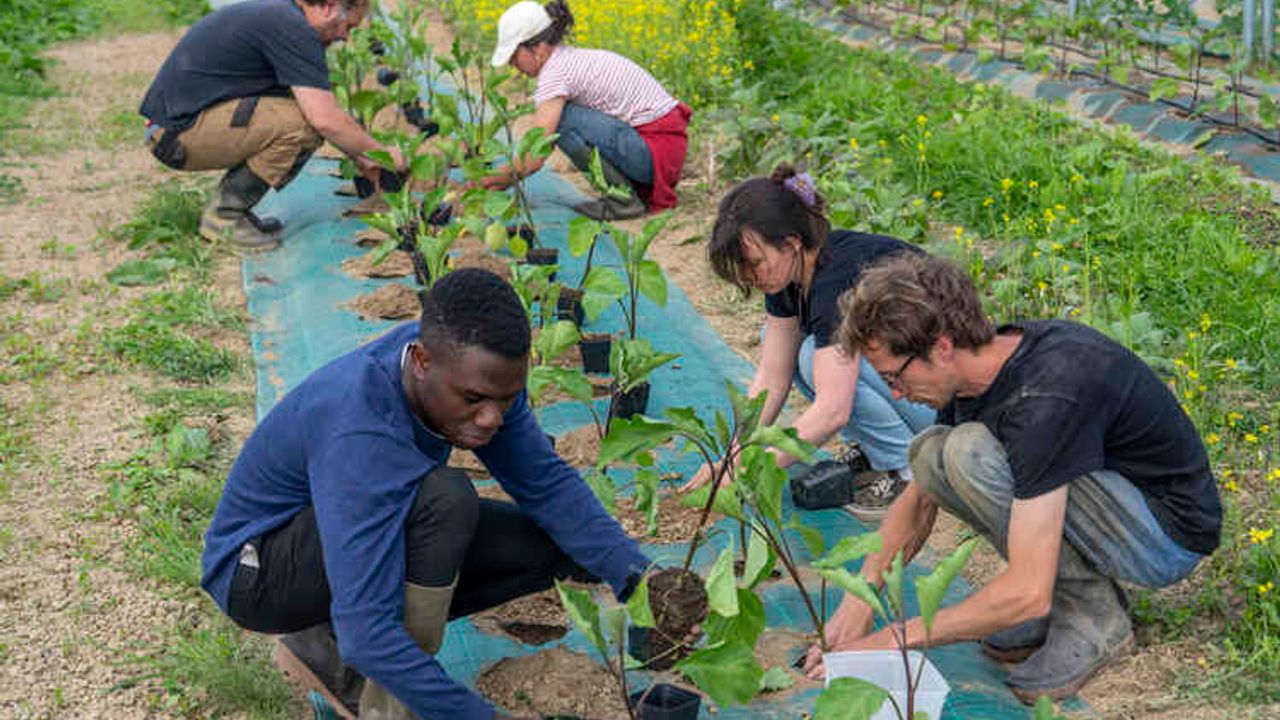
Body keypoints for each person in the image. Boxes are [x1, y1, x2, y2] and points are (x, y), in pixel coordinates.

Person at [201, 269, 651, 719]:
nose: (491, 418)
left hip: (339, 533)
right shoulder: (361, 429)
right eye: (474, 399)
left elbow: (547, 484)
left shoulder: (470, 373)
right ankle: (384, 706)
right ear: (420, 361)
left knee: (553, 546)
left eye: (507, 398)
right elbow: (369, 632)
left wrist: (641, 580)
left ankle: (321, 645)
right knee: (444, 500)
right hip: (258, 572)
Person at [803, 254, 1222, 703]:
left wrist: (894, 639)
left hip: (1163, 535)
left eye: (895, 377)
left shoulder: (1047, 393)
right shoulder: (978, 369)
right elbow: (918, 499)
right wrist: (861, 600)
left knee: (968, 454)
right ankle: (1067, 595)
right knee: (932, 452)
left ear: (941, 347)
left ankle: (1093, 617)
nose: (895, 394)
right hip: (1113, 504)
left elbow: (1026, 592)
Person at [681, 167, 935, 520]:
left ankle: (905, 471)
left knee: (814, 357)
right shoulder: (790, 275)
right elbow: (772, 375)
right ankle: (877, 451)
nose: (750, 278)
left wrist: (753, 470)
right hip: (908, 393)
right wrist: (734, 455)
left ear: (792, 243)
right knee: (783, 343)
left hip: (946, 407)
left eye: (755, 263)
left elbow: (833, 411)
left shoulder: (840, 278)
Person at [140, 0, 406, 250]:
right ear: (328, 6)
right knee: (303, 126)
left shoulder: (285, 15)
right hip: (175, 135)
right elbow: (325, 119)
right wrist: (382, 155)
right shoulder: (293, 28)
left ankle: (231, 212)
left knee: (299, 114)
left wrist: (359, 155)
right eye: (347, 26)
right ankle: (224, 219)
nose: (345, 37)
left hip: (177, 125)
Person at [482, 0, 693, 221]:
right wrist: (500, 181)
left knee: (563, 121)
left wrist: (486, 182)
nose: (513, 65)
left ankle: (623, 201)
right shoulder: (566, 59)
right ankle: (626, 193)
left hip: (654, 154)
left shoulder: (556, 73)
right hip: (662, 152)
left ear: (538, 47)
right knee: (564, 119)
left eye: (514, 56)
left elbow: (536, 154)